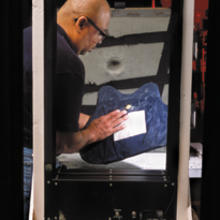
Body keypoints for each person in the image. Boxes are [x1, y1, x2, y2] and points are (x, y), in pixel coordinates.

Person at [23, 0, 128, 219]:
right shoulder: (67, 62)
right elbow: (63, 142)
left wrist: (94, 121)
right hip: (27, 166)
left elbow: (38, 109)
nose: (99, 42)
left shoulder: (28, 36)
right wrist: (93, 133)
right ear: (81, 23)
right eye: (101, 34)